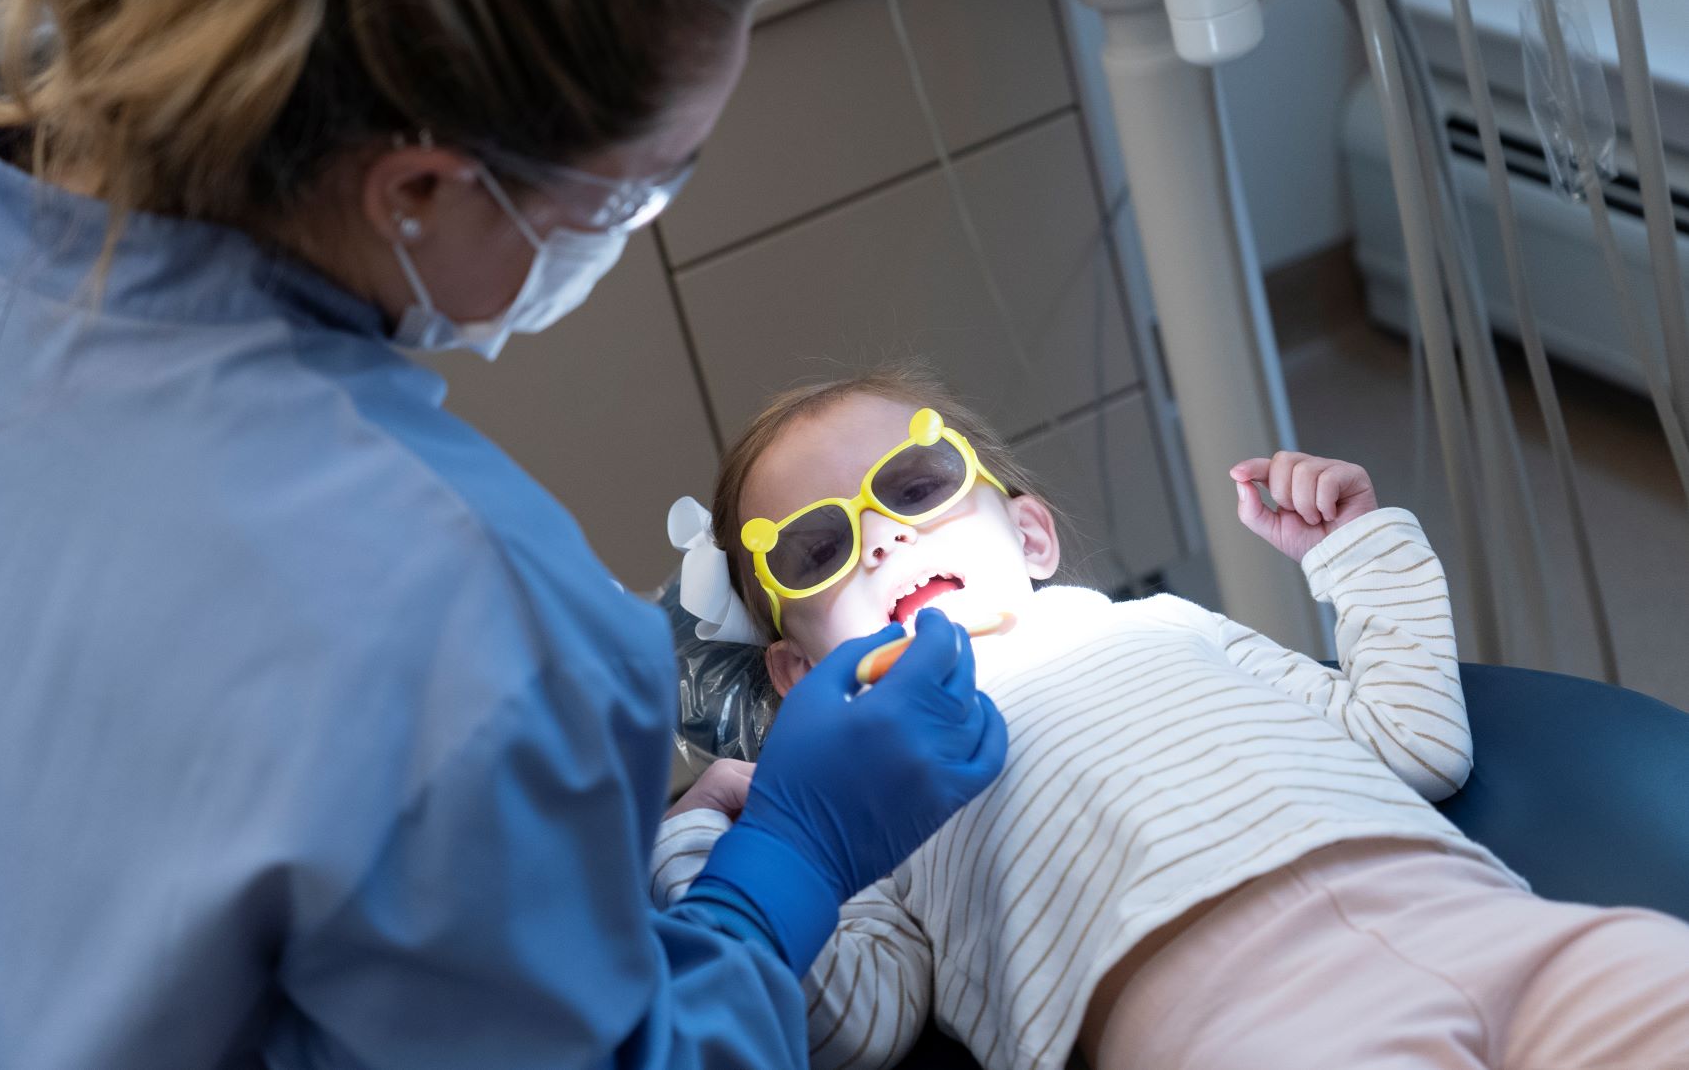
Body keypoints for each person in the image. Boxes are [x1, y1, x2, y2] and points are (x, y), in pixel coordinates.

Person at [0, 0, 1007, 1067]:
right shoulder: (466, 628)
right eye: (633, 197)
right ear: (415, 187)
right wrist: (785, 867)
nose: (889, 540)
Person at [654, 364, 1689, 1070]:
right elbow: (858, 1020)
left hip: (1477, 916)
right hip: (1242, 1020)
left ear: (1030, 531)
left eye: (913, 485)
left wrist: (1356, 549)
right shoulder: (863, 807)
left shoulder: (1171, 625)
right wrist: (710, 837)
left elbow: (1409, 741)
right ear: (795, 669)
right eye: (815, 550)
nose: (879, 540)